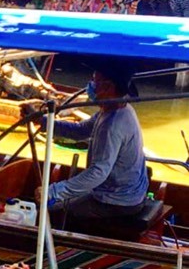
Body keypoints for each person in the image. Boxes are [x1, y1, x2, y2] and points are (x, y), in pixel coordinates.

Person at [22, 63, 149, 231]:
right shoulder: (113, 110)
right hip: (122, 192)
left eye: (95, 82)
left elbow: (98, 172)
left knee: (54, 213)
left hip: (117, 201)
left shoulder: (112, 125)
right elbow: (80, 131)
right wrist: (43, 121)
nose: (91, 86)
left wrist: (54, 191)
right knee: (58, 202)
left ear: (108, 87)